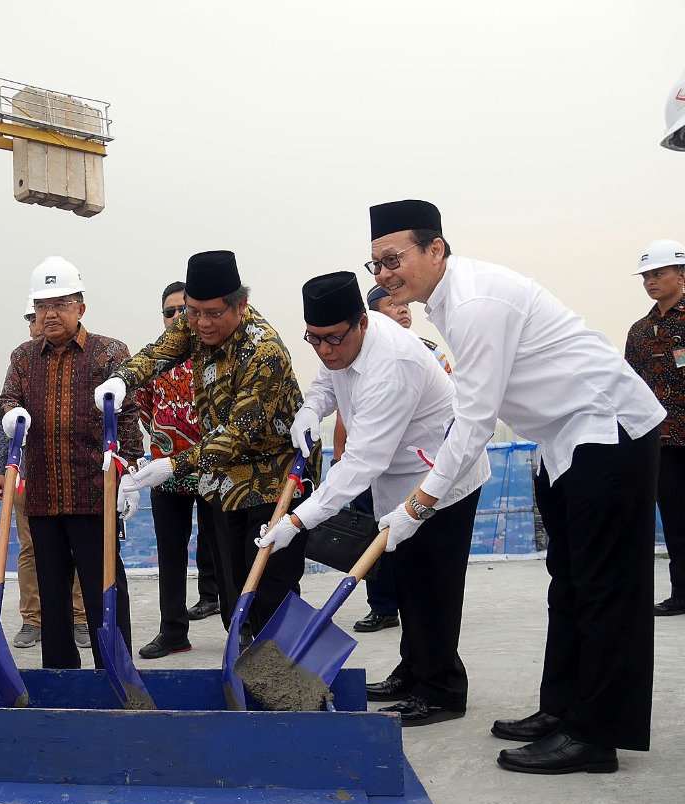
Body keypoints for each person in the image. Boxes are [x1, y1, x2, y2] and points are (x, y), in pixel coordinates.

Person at [367, 199, 664, 773]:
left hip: (608, 427)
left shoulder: (476, 303)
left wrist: (419, 503)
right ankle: (563, 710)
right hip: (563, 440)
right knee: (569, 582)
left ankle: (597, 735)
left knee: (605, 588)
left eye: (393, 258)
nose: (383, 274)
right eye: (375, 264)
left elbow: (474, 421)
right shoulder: (447, 302)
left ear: (436, 249)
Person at [258, 271, 488, 725]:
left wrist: (297, 522)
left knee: (432, 586)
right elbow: (328, 380)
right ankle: (412, 670)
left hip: (437, 478)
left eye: (333, 339)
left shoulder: (394, 364)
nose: (325, 350)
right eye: (314, 339)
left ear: (362, 323)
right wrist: (310, 409)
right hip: (396, 476)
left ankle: (441, 690)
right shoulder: (339, 341)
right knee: (405, 581)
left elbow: (361, 464)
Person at [99, 250, 315, 644]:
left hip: (274, 479)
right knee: (236, 595)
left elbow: (237, 433)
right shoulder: (193, 323)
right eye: (194, 312)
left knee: (270, 585)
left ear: (240, 304)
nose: (201, 323)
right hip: (225, 482)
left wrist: (171, 465)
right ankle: (252, 670)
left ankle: (292, 679)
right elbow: (157, 353)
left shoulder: (262, 352)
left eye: (213, 313)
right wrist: (122, 380)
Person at [0, 256, 143, 669]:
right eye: (43, 306)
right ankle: (60, 674)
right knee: (52, 592)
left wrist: (128, 473)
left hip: (94, 495)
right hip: (43, 496)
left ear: (81, 307)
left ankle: (115, 669)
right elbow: (7, 402)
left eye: (60, 304)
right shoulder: (23, 357)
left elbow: (128, 415)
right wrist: (12, 415)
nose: (50, 314)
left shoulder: (109, 353)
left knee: (105, 590)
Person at [331, 283, 453, 634]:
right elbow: (346, 409)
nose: (402, 309)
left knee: (415, 543)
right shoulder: (356, 356)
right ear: (369, 319)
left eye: (403, 303)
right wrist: (341, 455)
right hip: (370, 462)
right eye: (391, 304)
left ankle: (420, 607)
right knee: (375, 535)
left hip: (419, 468)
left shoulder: (427, 351)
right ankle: (383, 607)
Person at [0, 297, 89, 651]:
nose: (40, 322)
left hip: (75, 475)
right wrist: (1, 469)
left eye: (48, 314)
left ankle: (80, 617)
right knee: (31, 548)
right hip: (27, 475)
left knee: (78, 549)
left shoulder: (84, 358)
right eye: (34, 317)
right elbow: (4, 420)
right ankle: (33, 619)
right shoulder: (22, 360)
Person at [132, 280, 219, 659]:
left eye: (184, 310)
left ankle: (239, 627)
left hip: (215, 470)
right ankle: (172, 631)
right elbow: (143, 408)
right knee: (170, 555)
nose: (178, 318)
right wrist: (163, 447)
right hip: (166, 474)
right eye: (170, 312)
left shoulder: (218, 355)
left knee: (224, 551)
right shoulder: (153, 360)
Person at [624, 239, 685, 617]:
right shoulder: (640, 331)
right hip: (663, 442)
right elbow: (629, 385)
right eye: (646, 275)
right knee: (677, 521)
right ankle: (682, 594)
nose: (651, 281)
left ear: (681, 274)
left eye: (658, 273)